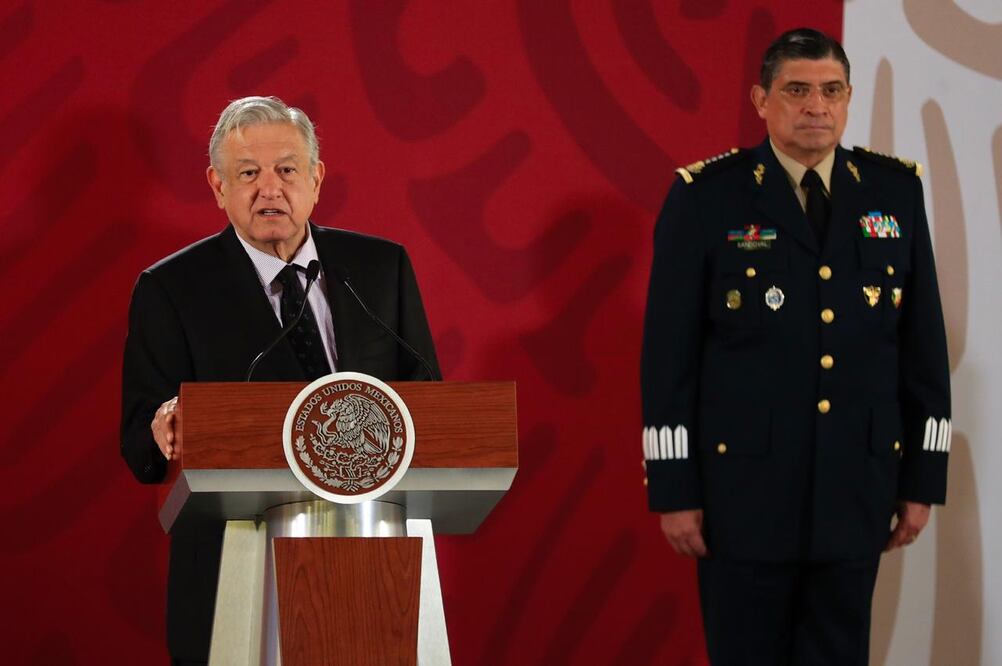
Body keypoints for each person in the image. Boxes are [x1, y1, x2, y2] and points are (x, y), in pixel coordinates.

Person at [640, 28, 950, 665]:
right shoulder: (708, 196)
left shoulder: (894, 192)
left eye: (832, 91)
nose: (817, 106)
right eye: (798, 90)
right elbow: (668, 357)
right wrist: (674, 488)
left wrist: (922, 480)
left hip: (856, 490)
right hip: (742, 496)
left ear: (848, 98)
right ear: (761, 100)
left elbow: (921, 348)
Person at [120, 96, 440, 664]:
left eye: (287, 170)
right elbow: (139, 439)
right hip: (233, 578)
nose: (270, 189)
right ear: (218, 187)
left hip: (374, 567)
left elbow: (428, 402)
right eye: (248, 173)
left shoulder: (379, 269)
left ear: (315, 179)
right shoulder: (171, 288)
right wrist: (165, 424)